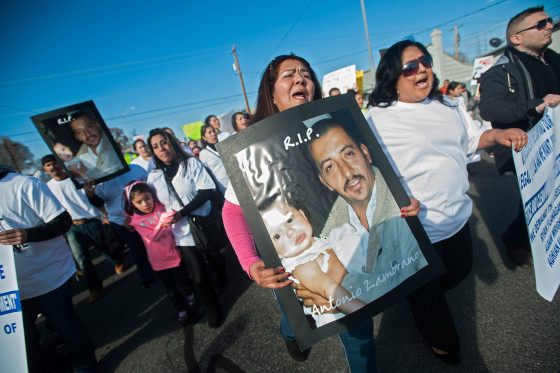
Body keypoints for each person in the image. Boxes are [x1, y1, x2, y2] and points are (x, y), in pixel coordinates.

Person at [221, 54, 418, 372]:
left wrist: (403, 201)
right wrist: (251, 263)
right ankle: (292, 333)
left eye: (306, 74)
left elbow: (376, 172)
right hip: (291, 264)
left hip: (342, 247)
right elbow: (232, 213)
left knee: (359, 331)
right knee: (297, 316)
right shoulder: (251, 151)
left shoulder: (336, 125)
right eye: (289, 75)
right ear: (272, 93)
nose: (300, 79)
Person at [367, 40, 528, 364]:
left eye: (424, 60)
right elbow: (365, 172)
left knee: (459, 271)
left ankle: (416, 291)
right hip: (414, 227)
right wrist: (388, 198)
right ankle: (441, 340)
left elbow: (471, 141)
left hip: (456, 216)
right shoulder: (376, 119)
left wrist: (497, 135)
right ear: (392, 77)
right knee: (428, 300)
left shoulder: (450, 105)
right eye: (410, 66)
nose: (422, 68)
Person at [479, 6, 560, 269]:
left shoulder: (554, 59)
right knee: (541, 199)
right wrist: (536, 104)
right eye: (540, 24)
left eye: (548, 21)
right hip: (528, 146)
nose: (549, 25)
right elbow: (490, 108)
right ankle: (515, 237)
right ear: (517, 38)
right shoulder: (500, 71)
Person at [0, 165, 98, 373]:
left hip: (49, 279)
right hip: (10, 290)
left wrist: (28, 235)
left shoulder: (25, 184)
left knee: (70, 331)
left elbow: (63, 222)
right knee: (23, 349)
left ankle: (85, 367)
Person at [147, 128, 225, 328]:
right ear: (153, 152)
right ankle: (213, 309)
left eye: (163, 142)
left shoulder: (190, 164)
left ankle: (223, 276)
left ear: (171, 143)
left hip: (203, 224)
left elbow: (207, 189)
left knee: (215, 256)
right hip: (182, 233)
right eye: (155, 146)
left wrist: (182, 212)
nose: (161, 148)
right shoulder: (154, 177)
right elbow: (152, 205)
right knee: (198, 273)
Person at [259, 197, 367, 324]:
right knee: (360, 339)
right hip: (345, 316)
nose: (290, 231)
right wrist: (363, 310)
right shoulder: (302, 266)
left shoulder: (315, 244)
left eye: (289, 219)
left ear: (303, 215)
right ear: (274, 252)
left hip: (355, 294)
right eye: (277, 235)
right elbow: (328, 288)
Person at [42, 155, 124, 303]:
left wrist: (104, 214)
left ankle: (117, 262)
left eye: (55, 163)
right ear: (45, 169)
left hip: (91, 221)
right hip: (72, 227)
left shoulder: (77, 179)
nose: (53, 167)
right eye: (48, 165)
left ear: (61, 164)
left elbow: (97, 200)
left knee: (104, 247)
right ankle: (95, 288)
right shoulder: (48, 188)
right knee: (82, 259)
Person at [123, 181, 196, 323]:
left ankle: (190, 294)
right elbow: (152, 237)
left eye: (147, 198)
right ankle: (181, 309)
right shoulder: (136, 221)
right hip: (158, 261)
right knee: (170, 289)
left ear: (152, 195)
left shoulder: (162, 207)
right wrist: (163, 221)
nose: (145, 204)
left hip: (175, 254)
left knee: (184, 280)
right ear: (132, 204)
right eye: (139, 202)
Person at [84, 163, 156, 288]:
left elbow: (150, 188)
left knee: (155, 244)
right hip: (119, 221)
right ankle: (146, 276)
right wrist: (91, 195)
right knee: (137, 249)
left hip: (145, 217)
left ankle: (165, 269)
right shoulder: (100, 179)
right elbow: (99, 202)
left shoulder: (135, 168)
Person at [69, 111, 121, 176]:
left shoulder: (114, 147)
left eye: (89, 127)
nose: (87, 134)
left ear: (97, 125)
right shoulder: (80, 160)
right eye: (79, 132)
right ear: (77, 137)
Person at [199, 124, 229, 196]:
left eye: (214, 131)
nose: (213, 134)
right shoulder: (204, 153)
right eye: (209, 132)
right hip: (223, 188)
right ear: (204, 137)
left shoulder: (224, 146)